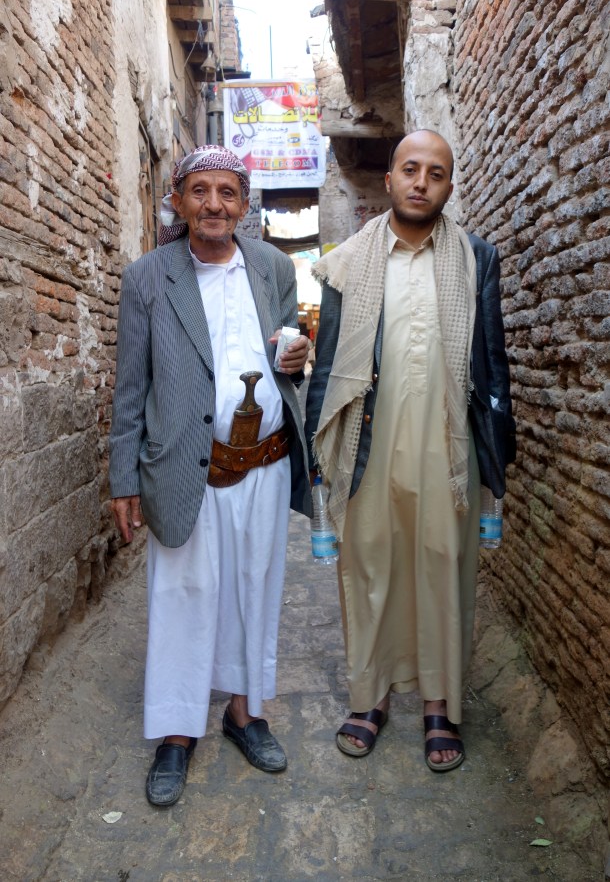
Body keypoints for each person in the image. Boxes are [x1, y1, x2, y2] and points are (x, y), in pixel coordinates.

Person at [305, 129, 515, 771]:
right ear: (391, 179)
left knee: (442, 567)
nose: (422, 181)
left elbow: (492, 361)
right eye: (411, 169)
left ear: (450, 186)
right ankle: (368, 698)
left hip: (446, 448)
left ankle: (438, 703)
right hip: (370, 441)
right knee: (369, 567)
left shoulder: (475, 258)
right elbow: (331, 360)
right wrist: (319, 448)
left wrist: (496, 459)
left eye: (437, 172)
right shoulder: (350, 261)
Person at [109, 145, 312, 806]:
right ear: (178, 199)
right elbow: (131, 387)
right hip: (184, 463)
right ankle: (175, 729)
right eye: (200, 191)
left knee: (256, 587)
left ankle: (245, 712)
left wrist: (298, 358)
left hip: (264, 465)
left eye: (228, 191)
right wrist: (122, 478)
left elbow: (285, 356)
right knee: (184, 594)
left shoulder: (274, 267)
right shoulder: (148, 278)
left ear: (245, 203)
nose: (214, 204)